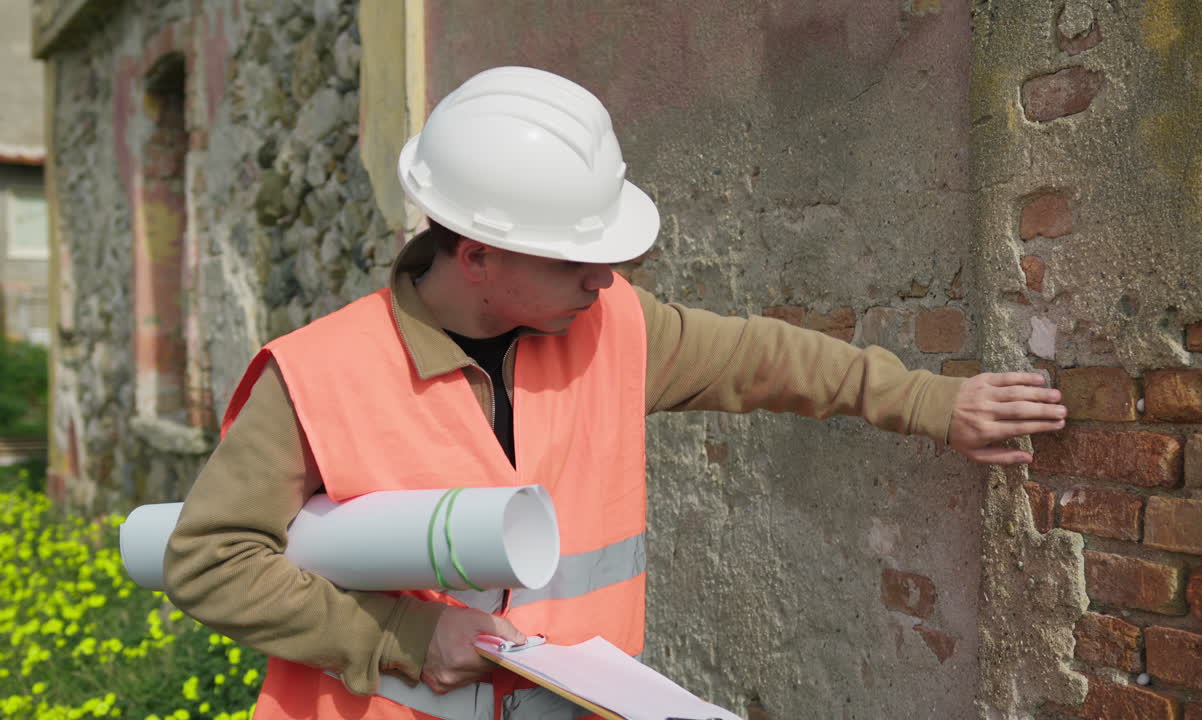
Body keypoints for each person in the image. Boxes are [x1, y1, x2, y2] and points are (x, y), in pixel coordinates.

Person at [163, 66, 1066, 720]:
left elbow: (764, 359)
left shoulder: (613, 325)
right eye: (577, 259)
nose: (606, 277)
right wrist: (397, 637)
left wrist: (933, 405)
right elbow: (209, 561)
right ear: (475, 254)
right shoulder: (317, 375)